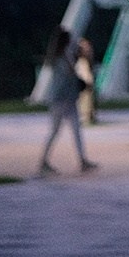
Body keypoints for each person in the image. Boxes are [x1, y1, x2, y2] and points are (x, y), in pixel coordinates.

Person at [38, 27, 97, 176]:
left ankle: (83, 160)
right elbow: (68, 74)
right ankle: (43, 161)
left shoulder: (65, 55)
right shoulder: (59, 58)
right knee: (55, 130)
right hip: (60, 99)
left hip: (69, 98)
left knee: (76, 130)